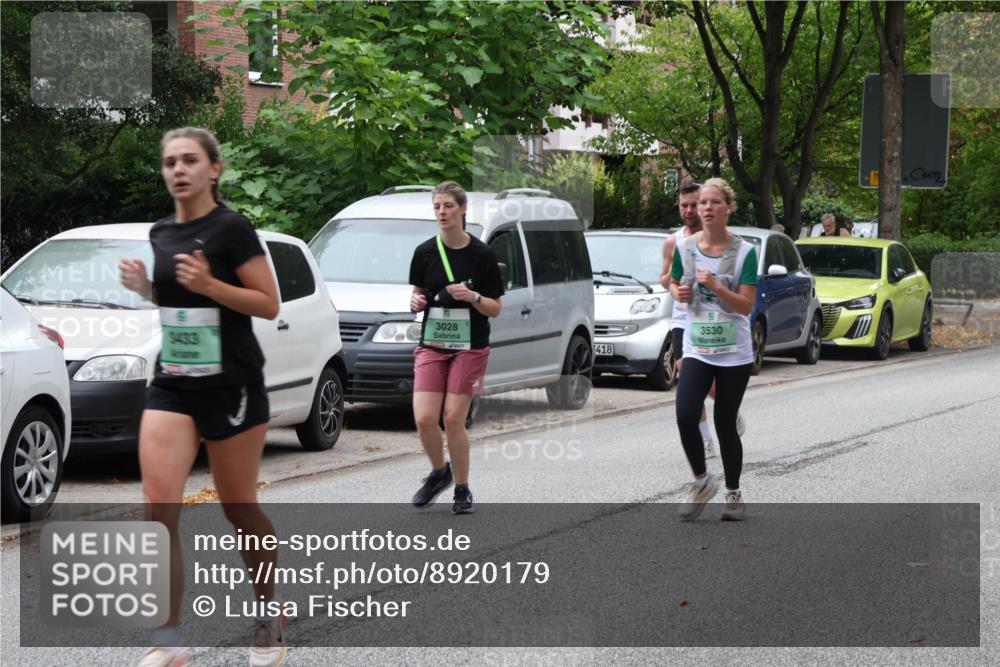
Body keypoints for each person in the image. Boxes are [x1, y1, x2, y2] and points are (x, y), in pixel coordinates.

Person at [120, 127, 287, 667]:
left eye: (189, 160)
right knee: (157, 511)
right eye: (170, 161)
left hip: (232, 384)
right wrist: (145, 288)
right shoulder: (161, 231)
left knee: (239, 510)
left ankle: (268, 614)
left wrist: (213, 285)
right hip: (173, 383)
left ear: (214, 169)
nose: (178, 170)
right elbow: (175, 300)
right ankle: (167, 643)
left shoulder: (232, 229)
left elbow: (268, 304)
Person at [408, 181, 504, 514]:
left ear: (463, 209)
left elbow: (495, 307)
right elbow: (417, 294)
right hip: (433, 343)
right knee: (423, 418)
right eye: (437, 207)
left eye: (448, 206)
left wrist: (473, 297)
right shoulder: (424, 252)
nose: (442, 212)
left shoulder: (482, 255)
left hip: (470, 345)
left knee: (452, 419)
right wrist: (415, 301)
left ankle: (462, 489)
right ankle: (439, 473)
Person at [668, 178, 758, 522]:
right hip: (697, 347)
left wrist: (717, 286)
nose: (706, 208)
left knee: (724, 422)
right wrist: (679, 293)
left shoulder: (745, 252)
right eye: (702, 202)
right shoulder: (685, 247)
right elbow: (676, 284)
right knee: (685, 413)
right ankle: (702, 481)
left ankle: (734, 494)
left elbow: (746, 305)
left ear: (728, 208)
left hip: (734, 352)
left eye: (714, 202)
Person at [660, 181, 716, 459]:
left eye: (694, 204)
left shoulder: (716, 240)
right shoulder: (673, 241)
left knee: (714, 386)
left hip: (713, 319)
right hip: (683, 320)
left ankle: (730, 408)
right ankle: (706, 439)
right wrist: (674, 285)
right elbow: (664, 277)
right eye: (684, 206)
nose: (689, 210)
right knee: (689, 380)